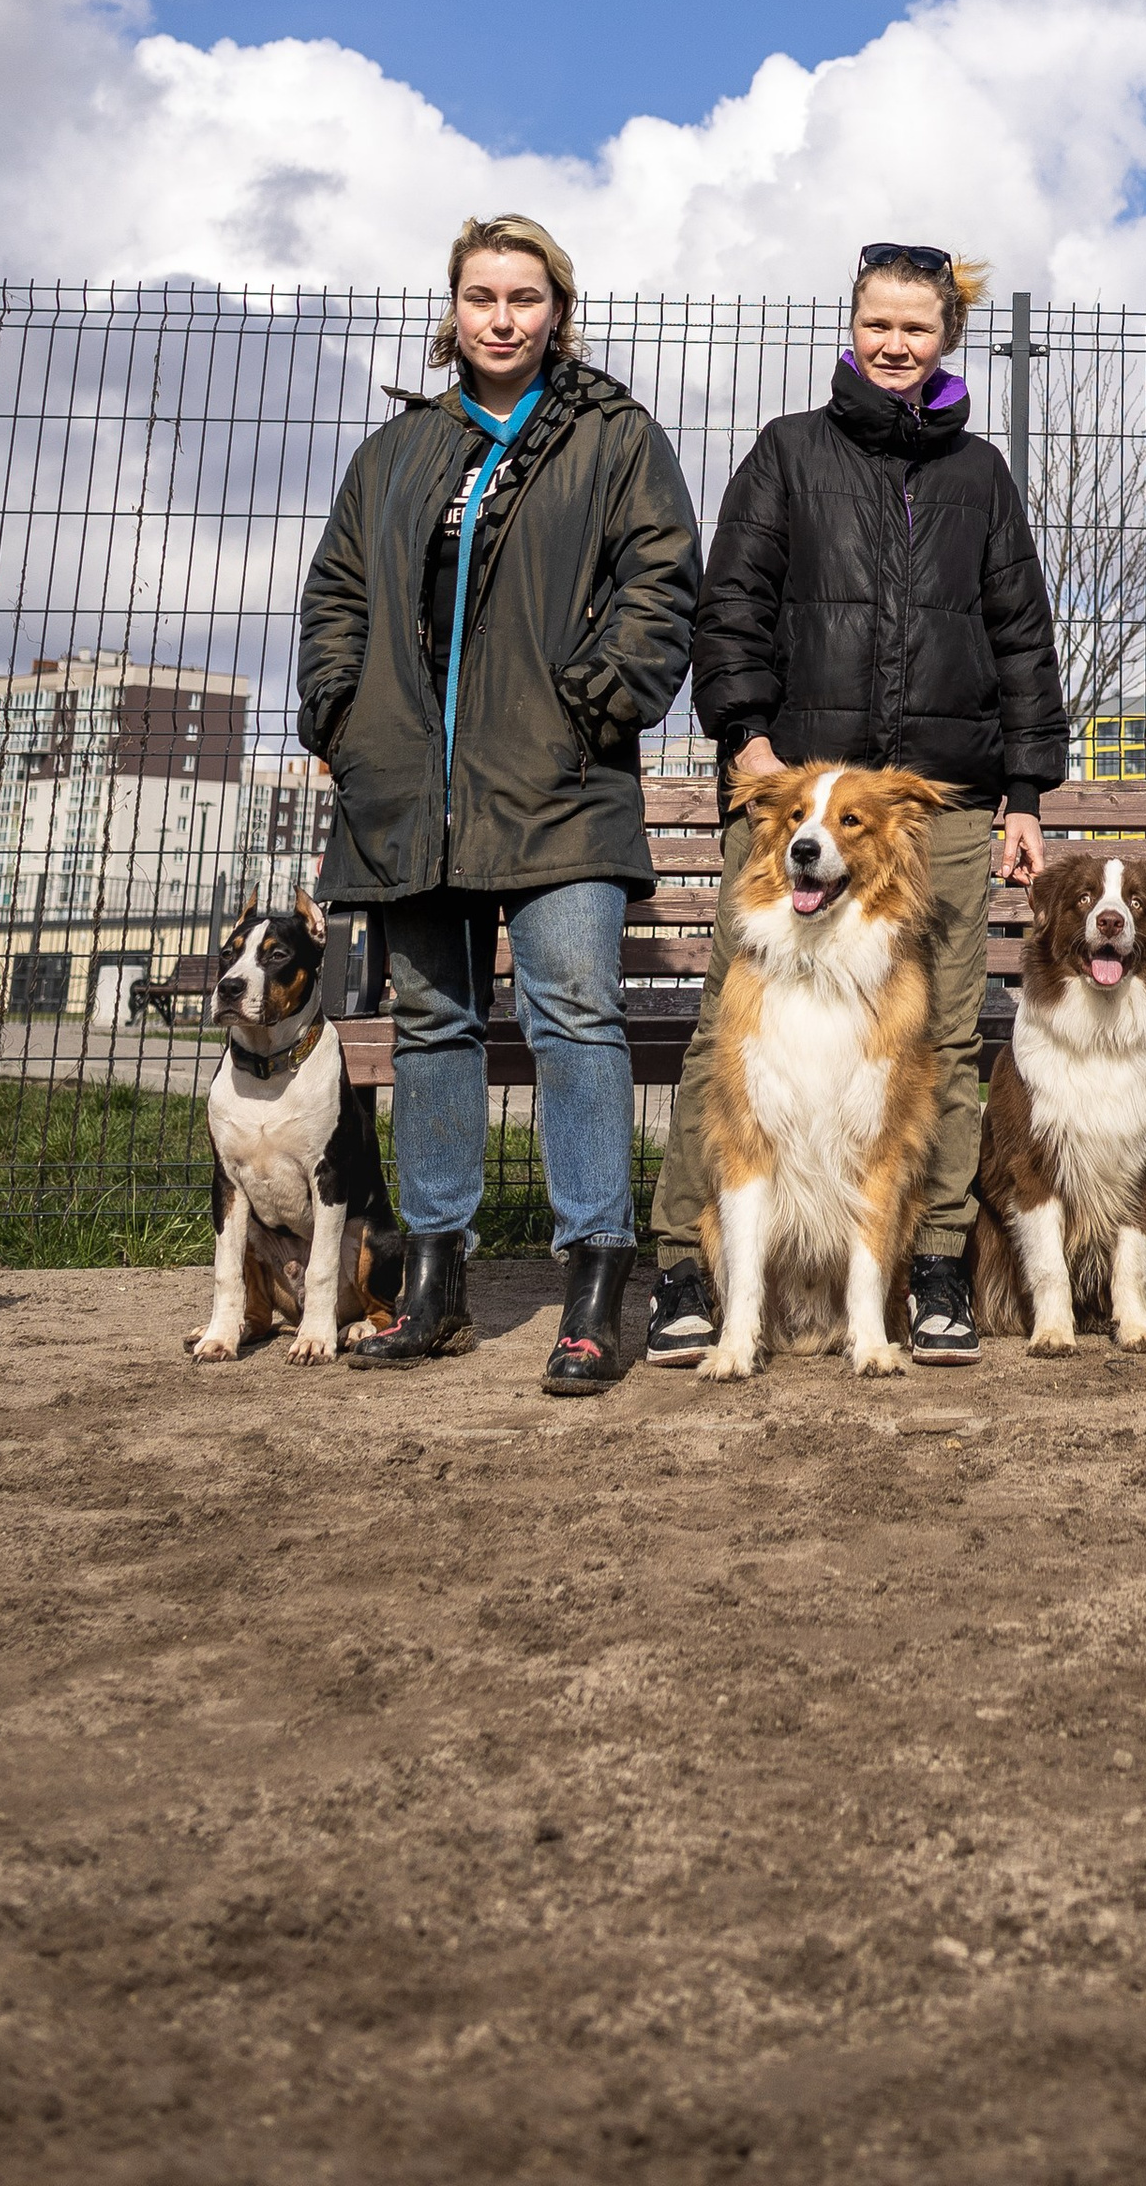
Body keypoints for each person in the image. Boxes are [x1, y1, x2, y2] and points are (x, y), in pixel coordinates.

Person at [643, 242, 1067, 1369]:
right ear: (852, 327)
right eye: (877, 324)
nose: (894, 345)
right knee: (725, 1039)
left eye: (916, 329)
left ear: (946, 340)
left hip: (944, 806)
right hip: (798, 800)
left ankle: (926, 1263)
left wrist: (1024, 790)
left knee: (942, 1040)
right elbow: (729, 602)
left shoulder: (979, 475)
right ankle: (689, 1266)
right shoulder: (787, 452)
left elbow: (1021, 636)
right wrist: (748, 736)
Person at [296, 215, 700, 1391]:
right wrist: (339, 708)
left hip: (559, 784)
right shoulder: (398, 452)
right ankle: (433, 1284)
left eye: (526, 298)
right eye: (482, 297)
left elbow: (660, 574)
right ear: (454, 312)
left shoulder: (615, 437)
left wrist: (599, 699)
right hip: (412, 791)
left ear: (556, 312)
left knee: (576, 1012)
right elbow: (337, 592)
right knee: (433, 1026)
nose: (503, 318)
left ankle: (592, 1286)